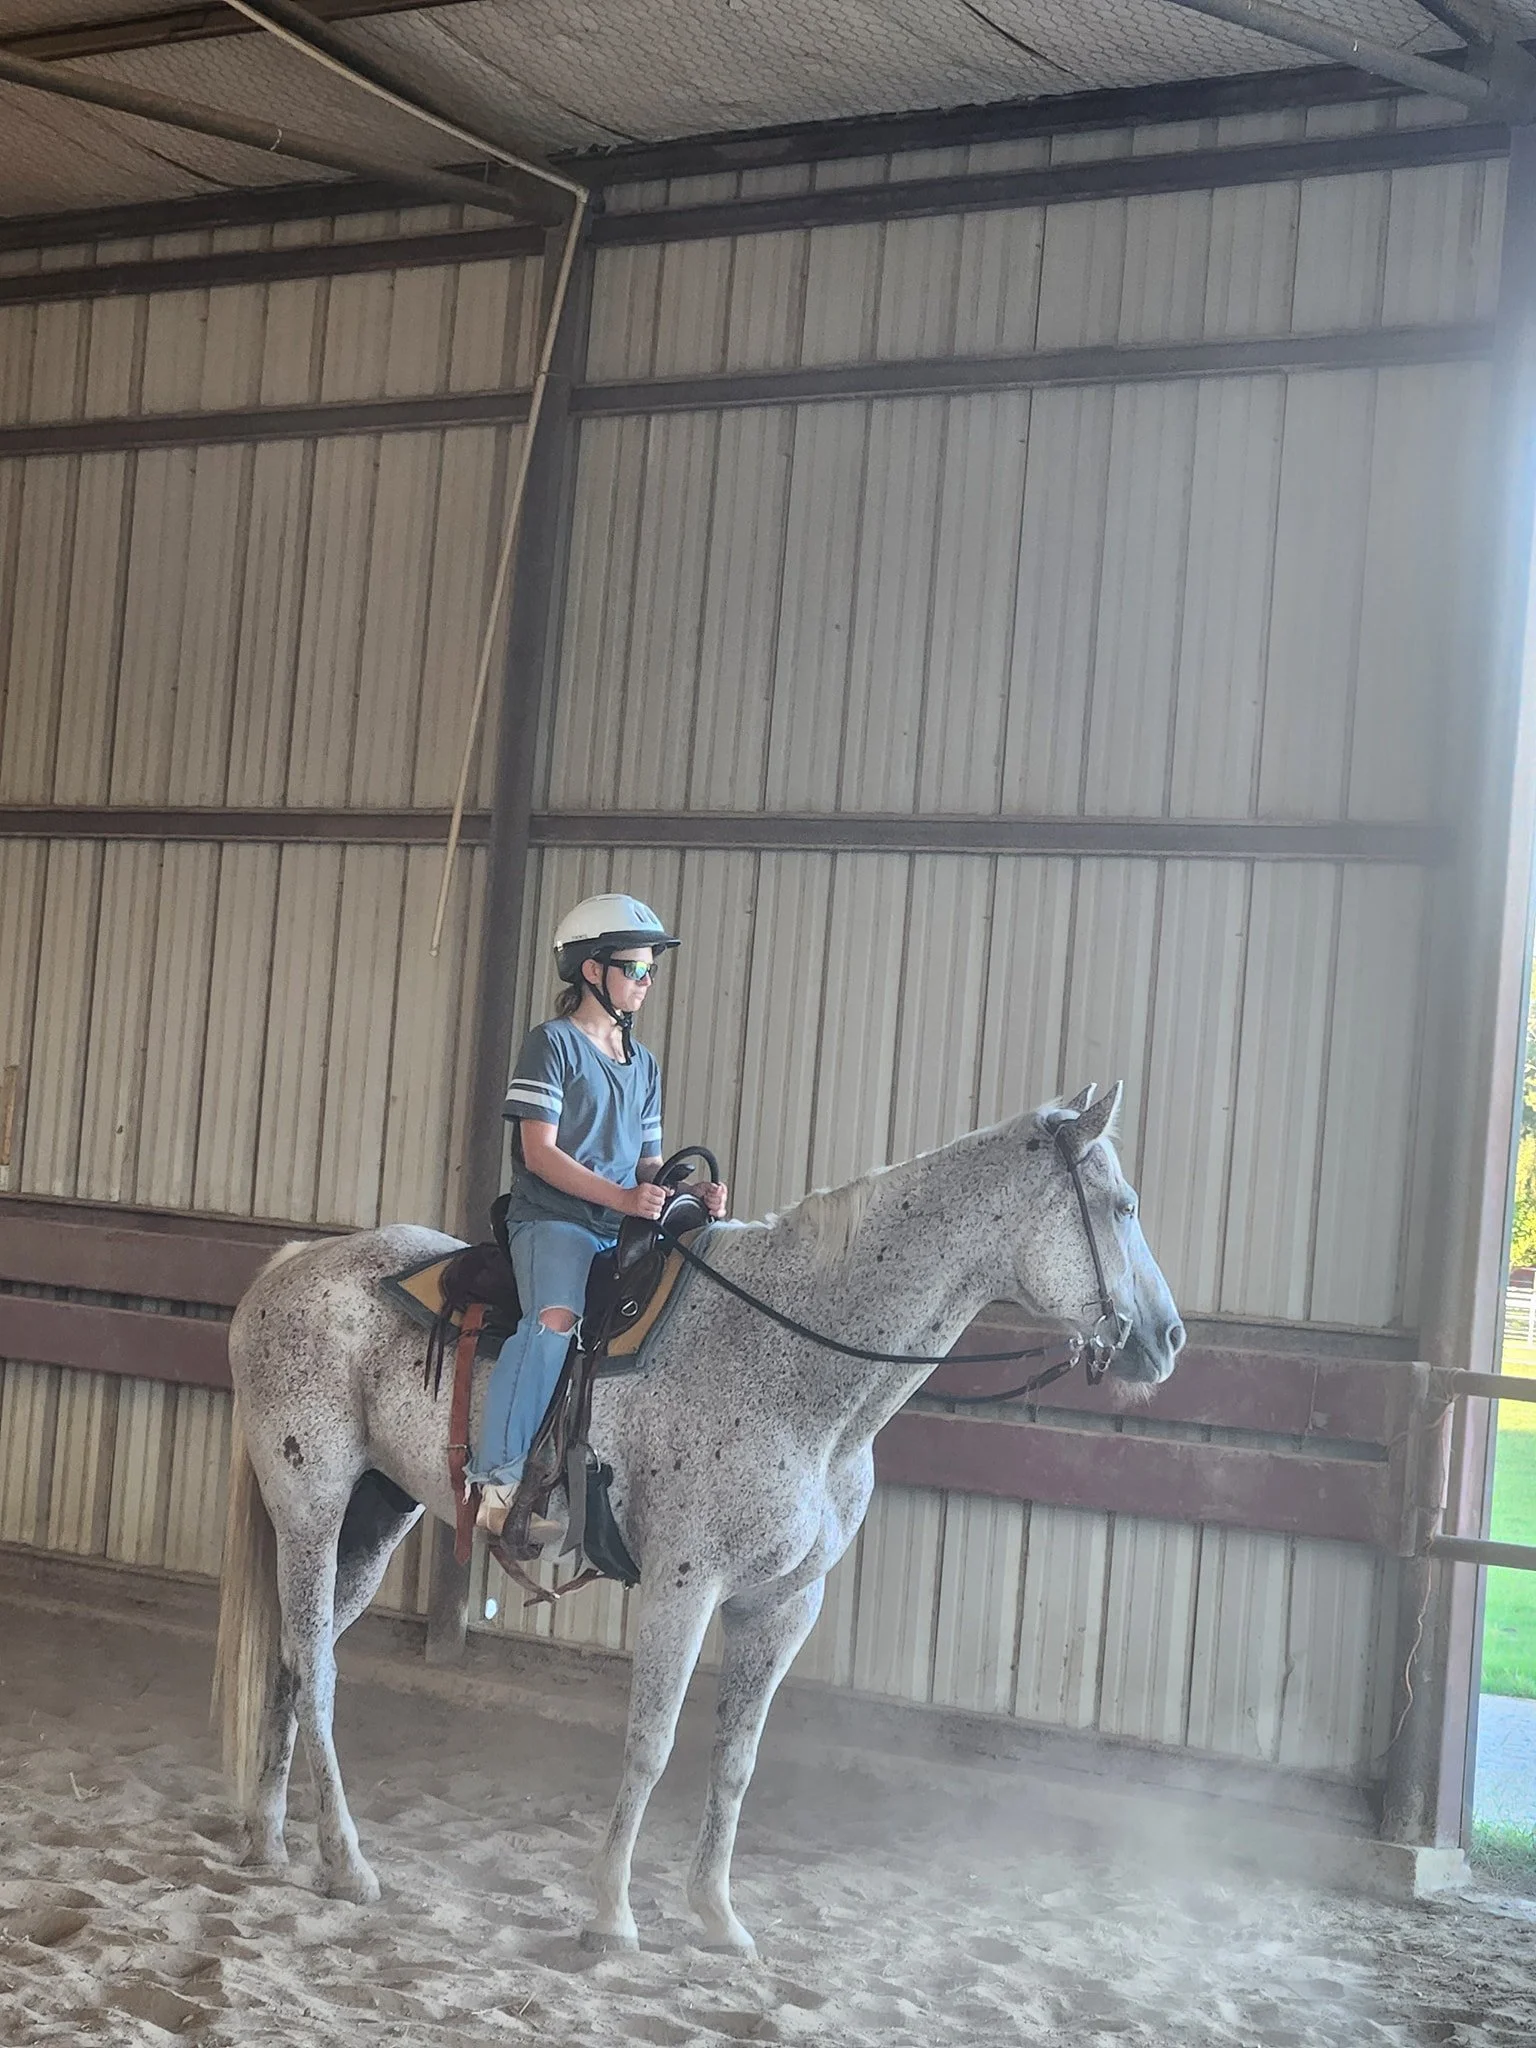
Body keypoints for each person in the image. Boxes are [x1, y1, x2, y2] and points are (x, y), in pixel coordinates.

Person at [470, 893, 728, 1536]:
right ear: (593, 969)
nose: (647, 983)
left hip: (620, 1225)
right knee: (554, 1321)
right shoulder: (550, 1045)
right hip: (552, 1220)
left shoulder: (642, 1063)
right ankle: (493, 1479)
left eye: (650, 972)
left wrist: (688, 1191)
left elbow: (647, 1166)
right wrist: (617, 1199)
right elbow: (538, 1151)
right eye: (636, 970)